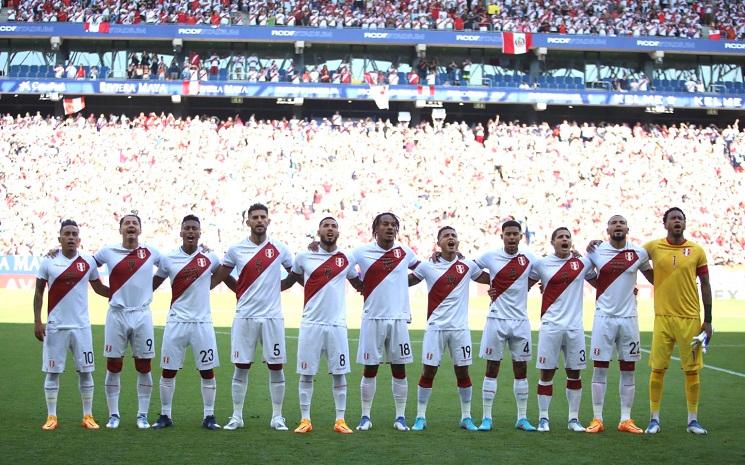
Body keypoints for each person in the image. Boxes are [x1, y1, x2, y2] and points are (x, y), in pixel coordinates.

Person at [211, 203, 294, 431]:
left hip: (272, 317)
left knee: (276, 366)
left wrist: (278, 288)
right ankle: (237, 416)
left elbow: (294, 273)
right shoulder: (236, 249)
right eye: (255, 217)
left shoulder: (279, 248)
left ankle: (277, 416)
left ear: (268, 221)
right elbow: (221, 275)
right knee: (241, 365)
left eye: (263, 217)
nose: (259, 220)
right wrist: (239, 289)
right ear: (247, 222)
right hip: (245, 316)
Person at [408, 226, 488, 431]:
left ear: (458, 241)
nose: (451, 238)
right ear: (438, 243)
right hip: (435, 328)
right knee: (428, 371)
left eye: (454, 235)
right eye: (446, 236)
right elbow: (407, 280)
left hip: (460, 330)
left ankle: (466, 417)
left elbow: (490, 277)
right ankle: (420, 417)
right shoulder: (427, 266)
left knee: (463, 372)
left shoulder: (468, 265)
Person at [33, 220, 109, 430]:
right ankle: (51, 417)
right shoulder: (48, 261)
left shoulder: (88, 262)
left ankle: (87, 416)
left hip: (81, 327)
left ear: (79, 239)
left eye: (74, 234)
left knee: (86, 372)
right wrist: (38, 320)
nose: (71, 237)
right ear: (60, 238)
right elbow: (39, 291)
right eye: (67, 233)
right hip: (56, 327)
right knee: (53, 372)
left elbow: (99, 288)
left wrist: (121, 293)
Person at [285, 217, 358, 434]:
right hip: (311, 324)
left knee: (339, 373)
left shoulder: (346, 258)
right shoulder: (304, 256)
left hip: (337, 325)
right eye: (326, 225)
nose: (330, 229)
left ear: (338, 232)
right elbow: (293, 279)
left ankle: (340, 420)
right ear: (318, 231)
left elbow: (358, 282)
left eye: (334, 226)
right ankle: (305, 420)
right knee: (306, 374)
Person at [643, 207, 712, 435]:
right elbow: (630, 257)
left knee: (691, 370)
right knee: (658, 368)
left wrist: (708, 321)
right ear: (665, 224)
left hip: (690, 319)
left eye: (680, 218)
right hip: (662, 318)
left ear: (685, 223)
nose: (677, 221)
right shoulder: (653, 247)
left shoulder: (696, 250)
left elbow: (706, 284)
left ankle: (693, 420)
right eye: (673, 218)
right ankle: (654, 419)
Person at [150, 215, 222, 430]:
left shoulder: (211, 258)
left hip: (202, 323)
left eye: (194, 229)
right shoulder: (169, 258)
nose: (191, 232)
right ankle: (165, 415)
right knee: (168, 370)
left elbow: (223, 275)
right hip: (176, 322)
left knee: (207, 371)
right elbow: (153, 283)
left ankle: (209, 416)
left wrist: (208, 286)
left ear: (200, 233)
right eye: (187, 228)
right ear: (181, 232)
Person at [585, 215, 653, 434]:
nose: (617, 226)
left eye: (621, 223)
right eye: (614, 223)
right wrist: (604, 287)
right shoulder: (596, 251)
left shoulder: (638, 253)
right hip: (604, 318)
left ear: (627, 228)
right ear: (607, 229)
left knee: (628, 369)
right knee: (600, 368)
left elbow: (653, 276)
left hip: (629, 319)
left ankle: (625, 419)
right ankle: (597, 418)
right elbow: (583, 271)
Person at [353, 212, 420, 431]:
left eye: (393, 225)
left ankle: (400, 417)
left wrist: (403, 282)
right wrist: (359, 284)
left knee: (399, 369)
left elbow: (424, 271)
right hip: (373, 318)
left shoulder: (405, 252)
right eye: (385, 224)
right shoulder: (362, 252)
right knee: (370, 368)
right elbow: (341, 266)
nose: (390, 228)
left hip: (399, 318)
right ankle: (365, 416)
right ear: (376, 229)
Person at [94, 213, 162, 429]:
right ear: (120, 229)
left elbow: (174, 264)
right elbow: (85, 265)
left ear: (140, 230)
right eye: (127, 223)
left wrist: (202, 249)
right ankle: (114, 415)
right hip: (117, 314)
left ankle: (142, 415)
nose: (131, 226)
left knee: (144, 366)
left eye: (135, 223)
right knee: (114, 365)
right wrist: (108, 292)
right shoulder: (108, 251)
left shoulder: (151, 252)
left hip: (142, 314)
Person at [529, 227, 595, 433]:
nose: (565, 240)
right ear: (553, 242)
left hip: (575, 327)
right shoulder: (541, 264)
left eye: (567, 237)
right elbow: (523, 284)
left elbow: (602, 280)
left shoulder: (582, 263)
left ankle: (573, 419)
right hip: (551, 326)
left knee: (574, 373)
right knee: (546, 373)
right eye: (560, 237)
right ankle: (543, 418)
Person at [476, 220, 539, 432]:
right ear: (501, 236)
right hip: (496, 320)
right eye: (508, 234)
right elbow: (469, 269)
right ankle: (487, 418)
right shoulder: (489, 256)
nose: (512, 237)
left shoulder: (530, 257)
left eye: (515, 234)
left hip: (520, 321)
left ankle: (522, 418)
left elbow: (543, 272)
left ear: (521, 236)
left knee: (521, 369)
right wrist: (491, 283)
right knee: (492, 368)